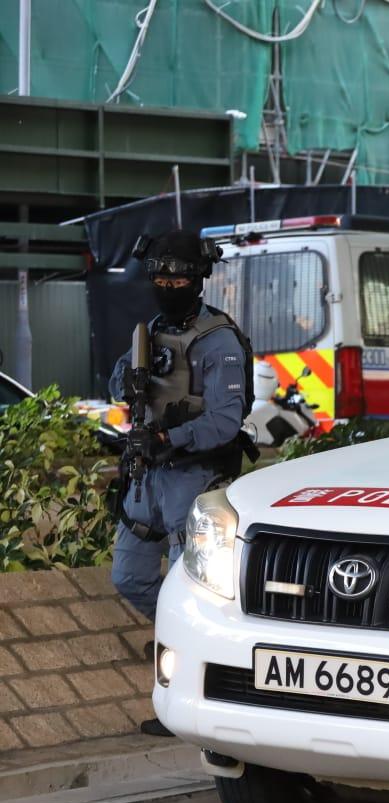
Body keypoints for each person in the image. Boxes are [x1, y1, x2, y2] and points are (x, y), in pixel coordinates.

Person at [110, 228, 253, 644]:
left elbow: (225, 421)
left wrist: (169, 438)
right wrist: (131, 378)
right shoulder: (150, 331)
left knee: (187, 584)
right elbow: (117, 382)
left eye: (178, 282)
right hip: (147, 475)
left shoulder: (218, 340)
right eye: (160, 281)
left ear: (198, 281)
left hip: (192, 474)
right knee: (128, 576)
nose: (168, 289)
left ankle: (185, 649)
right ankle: (181, 638)